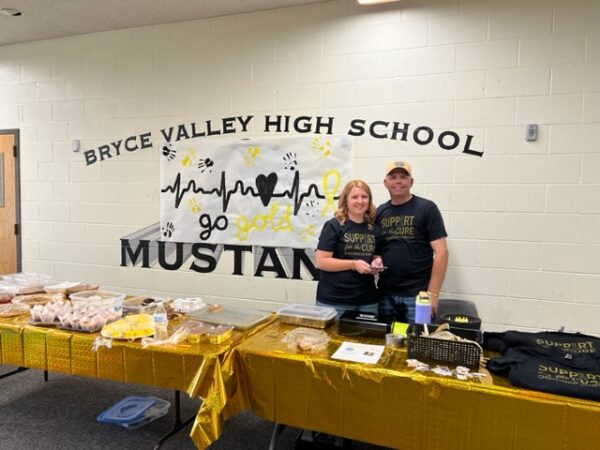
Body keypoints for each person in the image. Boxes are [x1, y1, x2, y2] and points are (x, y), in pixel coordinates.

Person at [371, 161, 449, 322]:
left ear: (411, 182)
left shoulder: (427, 208)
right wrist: (375, 260)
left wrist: (433, 294)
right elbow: (377, 251)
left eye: (403, 177)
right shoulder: (380, 212)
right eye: (393, 177)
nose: (398, 181)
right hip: (386, 293)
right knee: (386, 342)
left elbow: (442, 252)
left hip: (418, 296)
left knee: (418, 343)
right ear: (385, 183)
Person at [315, 179, 380, 315]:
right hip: (334, 301)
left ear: (369, 200)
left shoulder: (373, 228)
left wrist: (376, 261)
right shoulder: (334, 225)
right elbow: (321, 261)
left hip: (367, 301)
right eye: (354, 197)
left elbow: (375, 254)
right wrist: (353, 264)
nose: (360, 201)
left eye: (364, 197)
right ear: (346, 200)